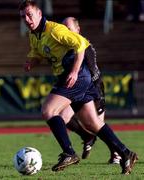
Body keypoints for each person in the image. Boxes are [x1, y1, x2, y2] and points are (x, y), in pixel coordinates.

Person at [19, 0, 138, 174]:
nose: (27, 19)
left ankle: (69, 152)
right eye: (23, 17)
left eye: (30, 14)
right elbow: (38, 52)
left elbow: (81, 45)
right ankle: (125, 153)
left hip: (76, 76)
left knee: (49, 110)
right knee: (92, 123)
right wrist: (32, 60)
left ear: (39, 14)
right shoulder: (33, 35)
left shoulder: (55, 30)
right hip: (72, 77)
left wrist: (74, 72)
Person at [62, 17, 121, 164]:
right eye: (63, 28)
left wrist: (96, 96)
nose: (65, 31)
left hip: (93, 90)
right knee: (62, 116)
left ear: (78, 30)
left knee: (98, 127)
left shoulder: (84, 46)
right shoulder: (65, 47)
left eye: (68, 28)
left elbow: (93, 73)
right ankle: (87, 137)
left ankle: (118, 154)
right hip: (77, 89)